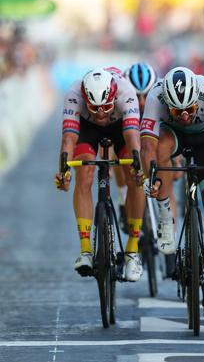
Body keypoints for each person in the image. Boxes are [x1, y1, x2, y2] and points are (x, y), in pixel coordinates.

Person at [140, 66, 204, 314]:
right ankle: (166, 218)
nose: (185, 115)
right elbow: (147, 147)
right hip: (173, 135)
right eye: (177, 111)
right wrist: (150, 178)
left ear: (197, 99)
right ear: (168, 103)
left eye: (189, 109)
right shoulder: (156, 97)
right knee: (160, 151)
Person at [55, 68, 144, 282]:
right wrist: (63, 171)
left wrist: (138, 167)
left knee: (135, 178)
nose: (101, 114)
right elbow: (69, 138)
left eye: (106, 107)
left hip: (120, 128)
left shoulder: (126, 92)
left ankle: (132, 250)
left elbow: (132, 136)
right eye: (95, 108)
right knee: (83, 175)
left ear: (113, 97)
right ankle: (86, 250)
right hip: (88, 129)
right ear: (85, 99)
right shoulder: (74, 94)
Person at [115, 62, 158, 231]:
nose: (141, 102)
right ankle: (123, 195)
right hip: (123, 134)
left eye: (146, 95)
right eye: (136, 96)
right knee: (119, 154)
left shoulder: (160, 98)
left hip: (147, 137)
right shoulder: (119, 98)